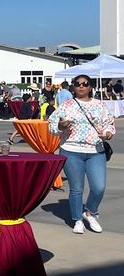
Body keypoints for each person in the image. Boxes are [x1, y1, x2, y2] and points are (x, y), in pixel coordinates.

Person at [48, 75, 115, 234]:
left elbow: (109, 124)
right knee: (76, 189)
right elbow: (51, 128)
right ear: (73, 87)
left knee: (99, 187)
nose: (81, 86)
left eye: (85, 84)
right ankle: (77, 219)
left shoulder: (100, 105)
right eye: (77, 84)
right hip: (71, 151)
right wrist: (61, 126)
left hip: (95, 151)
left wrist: (107, 133)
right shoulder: (66, 106)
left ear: (90, 87)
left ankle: (90, 212)